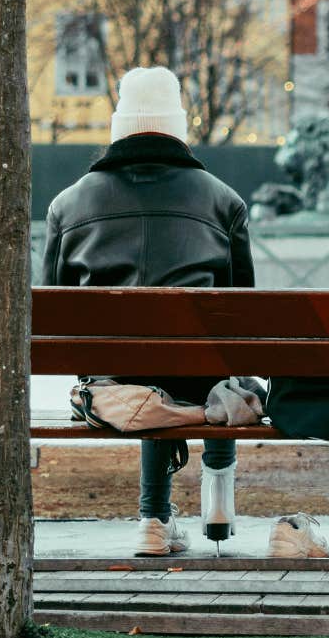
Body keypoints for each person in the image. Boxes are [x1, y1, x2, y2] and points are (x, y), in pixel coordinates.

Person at [41, 66, 255, 557]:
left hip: (115, 384)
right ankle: (218, 498)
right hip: (200, 378)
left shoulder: (67, 204)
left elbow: (54, 310)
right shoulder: (225, 201)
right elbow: (244, 310)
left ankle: (153, 521)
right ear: (177, 127)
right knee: (214, 360)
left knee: (142, 366)